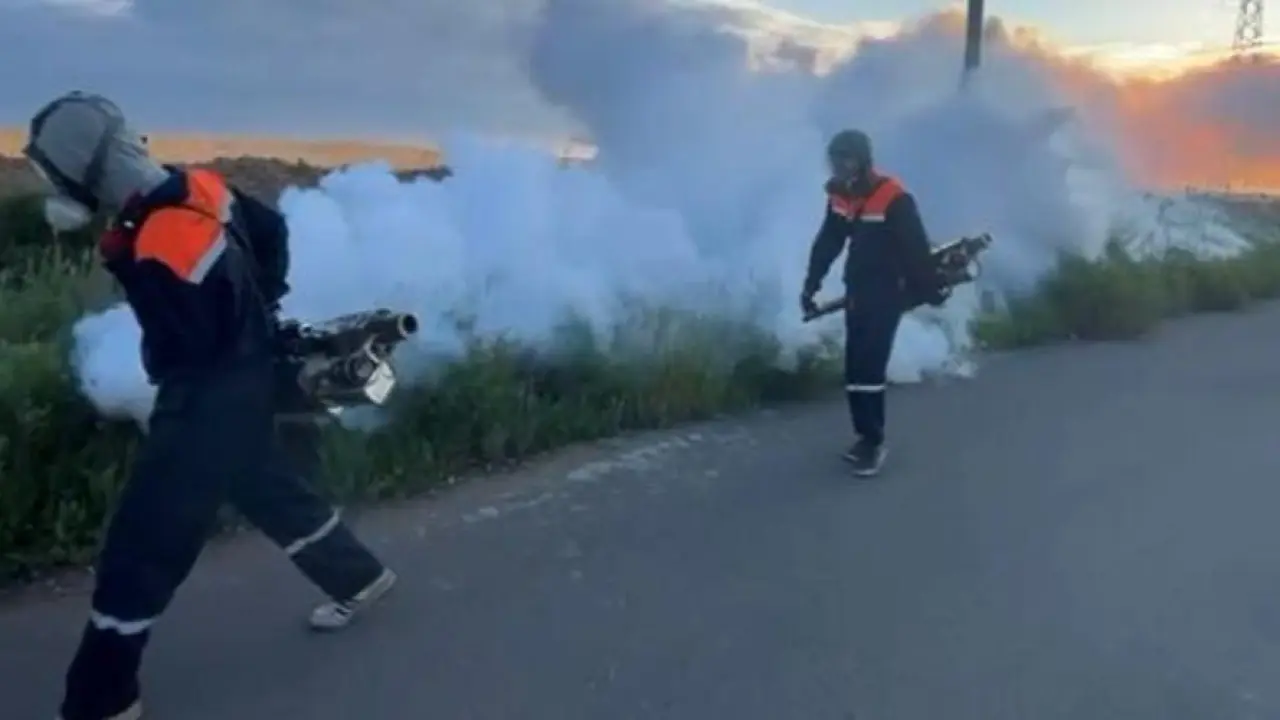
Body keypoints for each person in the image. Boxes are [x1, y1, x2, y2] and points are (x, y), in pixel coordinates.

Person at [24, 91, 398, 720]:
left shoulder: (158, 241)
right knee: (265, 487)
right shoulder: (200, 187)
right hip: (248, 378)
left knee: (142, 546)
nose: (56, 187)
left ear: (83, 168)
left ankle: (102, 698)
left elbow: (189, 345)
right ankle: (357, 577)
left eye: (57, 173)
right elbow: (271, 231)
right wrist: (264, 307)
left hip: (204, 403)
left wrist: (169, 366)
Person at [800, 129, 946, 477]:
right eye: (834, 160)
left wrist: (930, 290)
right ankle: (863, 436)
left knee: (869, 367)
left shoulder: (894, 198)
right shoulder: (841, 196)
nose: (839, 166)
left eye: (846, 160)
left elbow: (916, 250)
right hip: (857, 291)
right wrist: (811, 285)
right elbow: (829, 242)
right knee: (854, 367)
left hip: (887, 293)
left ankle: (873, 442)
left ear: (863, 161)